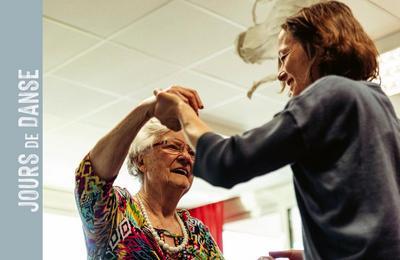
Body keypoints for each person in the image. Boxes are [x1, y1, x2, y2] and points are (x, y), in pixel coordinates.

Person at [152, 1, 400, 259]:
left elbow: (226, 162)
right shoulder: (379, 104)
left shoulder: (330, 94)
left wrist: (182, 111)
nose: (280, 73)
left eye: (284, 56)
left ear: (318, 44)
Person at [74, 88, 224, 259]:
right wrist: (147, 109)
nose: (186, 158)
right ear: (140, 160)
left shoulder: (198, 234)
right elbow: (90, 180)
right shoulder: (118, 212)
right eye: (173, 147)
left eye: (192, 153)